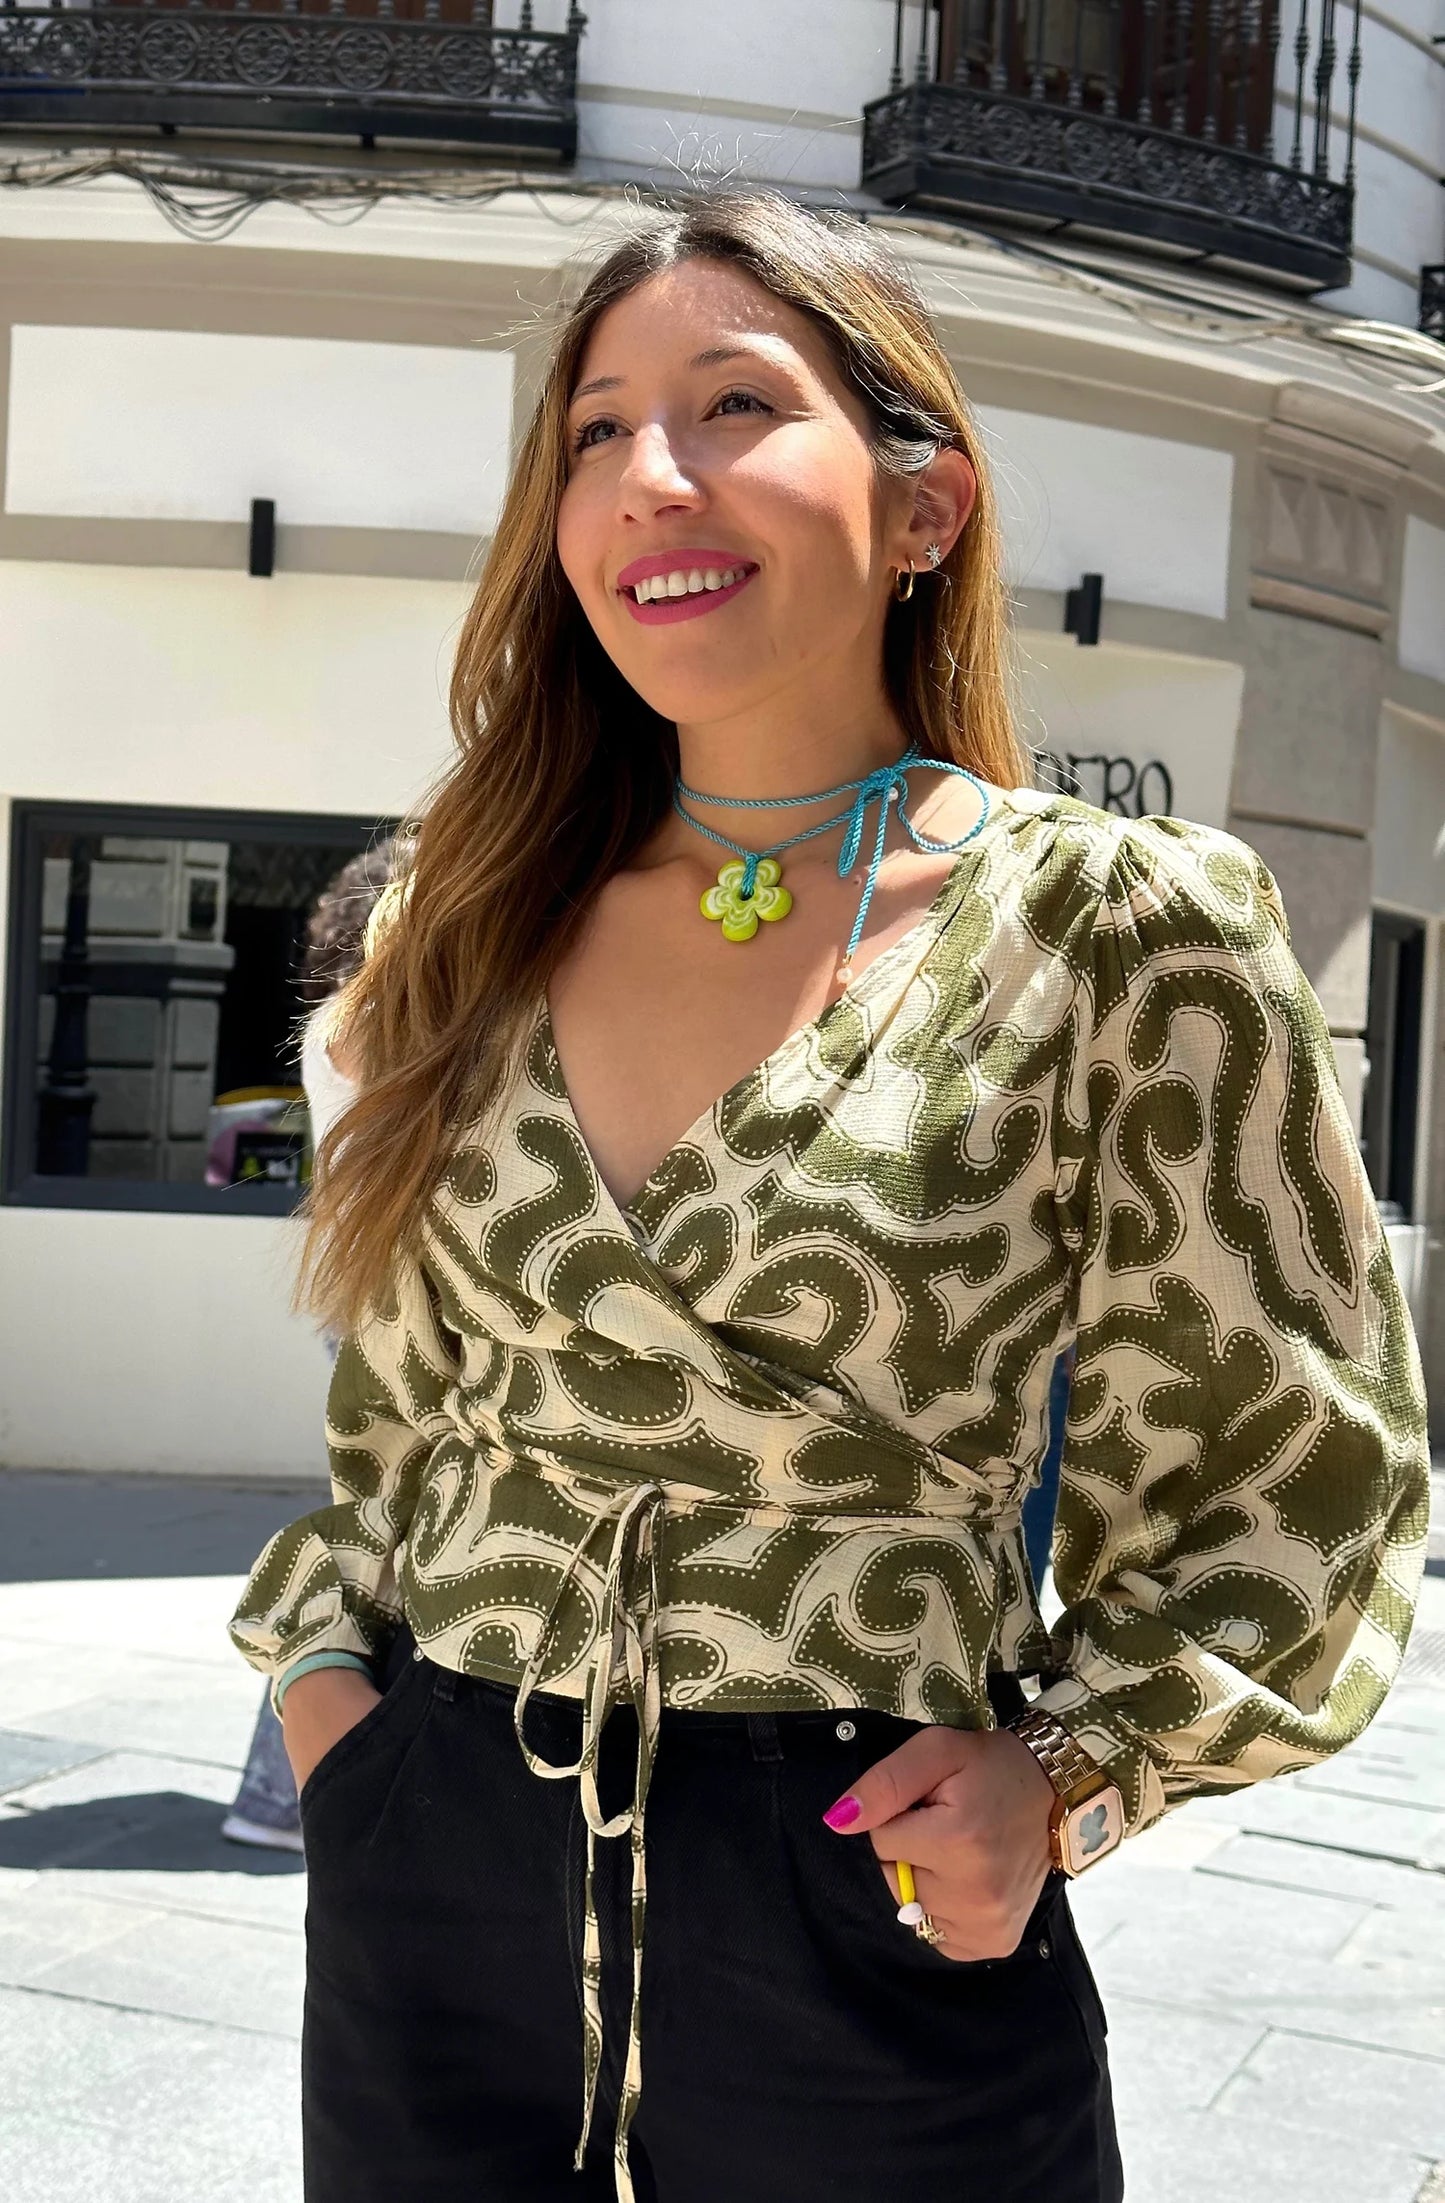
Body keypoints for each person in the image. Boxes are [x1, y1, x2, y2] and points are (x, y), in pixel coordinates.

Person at [229, 191, 1429, 2203]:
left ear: (921, 506)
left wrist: (1062, 1772)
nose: (649, 477)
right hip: (433, 1871)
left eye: (728, 404)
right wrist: (337, 1708)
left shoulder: (1110, 927)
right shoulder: (465, 916)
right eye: (594, 431)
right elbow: (398, 1408)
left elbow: (1295, 1469)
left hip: (861, 1877)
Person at [221, 841, 404, 1853]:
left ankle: (277, 1794)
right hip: (393, 1324)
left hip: (359, 1311)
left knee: (360, 1547)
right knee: (369, 1559)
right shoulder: (369, 1033)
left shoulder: (337, 1030)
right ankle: (290, 1792)